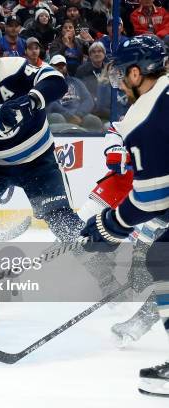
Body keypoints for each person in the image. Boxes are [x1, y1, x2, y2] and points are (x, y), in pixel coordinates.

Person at [79, 35, 169, 397]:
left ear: (136, 74)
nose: (117, 83)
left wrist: (108, 227)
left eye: (120, 74)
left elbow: (151, 199)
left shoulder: (146, 115)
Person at [0, 34, 84, 243]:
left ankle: (97, 264)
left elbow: (58, 83)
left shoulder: (14, 68)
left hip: (39, 161)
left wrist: (29, 101)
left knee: (62, 219)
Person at [46, 54, 102, 131]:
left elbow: (89, 100)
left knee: (94, 120)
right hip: (60, 115)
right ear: (50, 67)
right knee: (57, 118)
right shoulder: (47, 84)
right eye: (57, 65)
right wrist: (69, 116)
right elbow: (52, 104)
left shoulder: (76, 82)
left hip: (79, 115)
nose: (60, 67)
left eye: (62, 65)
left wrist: (79, 115)